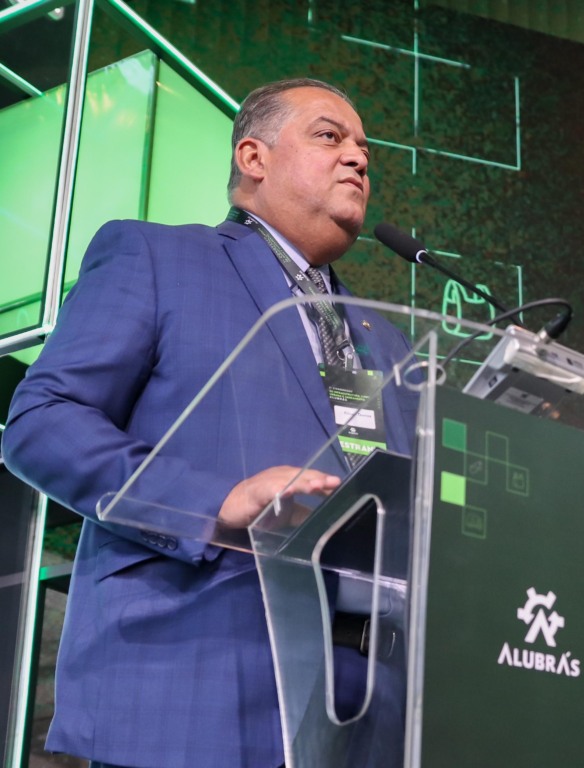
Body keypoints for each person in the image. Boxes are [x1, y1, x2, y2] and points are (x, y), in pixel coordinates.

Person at [2, 78, 417, 768]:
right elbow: (42, 422)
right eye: (329, 136)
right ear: (253, 157)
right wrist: (214, 504)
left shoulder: (384, 340)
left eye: (364, 148)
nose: (358, 159)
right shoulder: (156, 258)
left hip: (355, 718)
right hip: (192, 688)